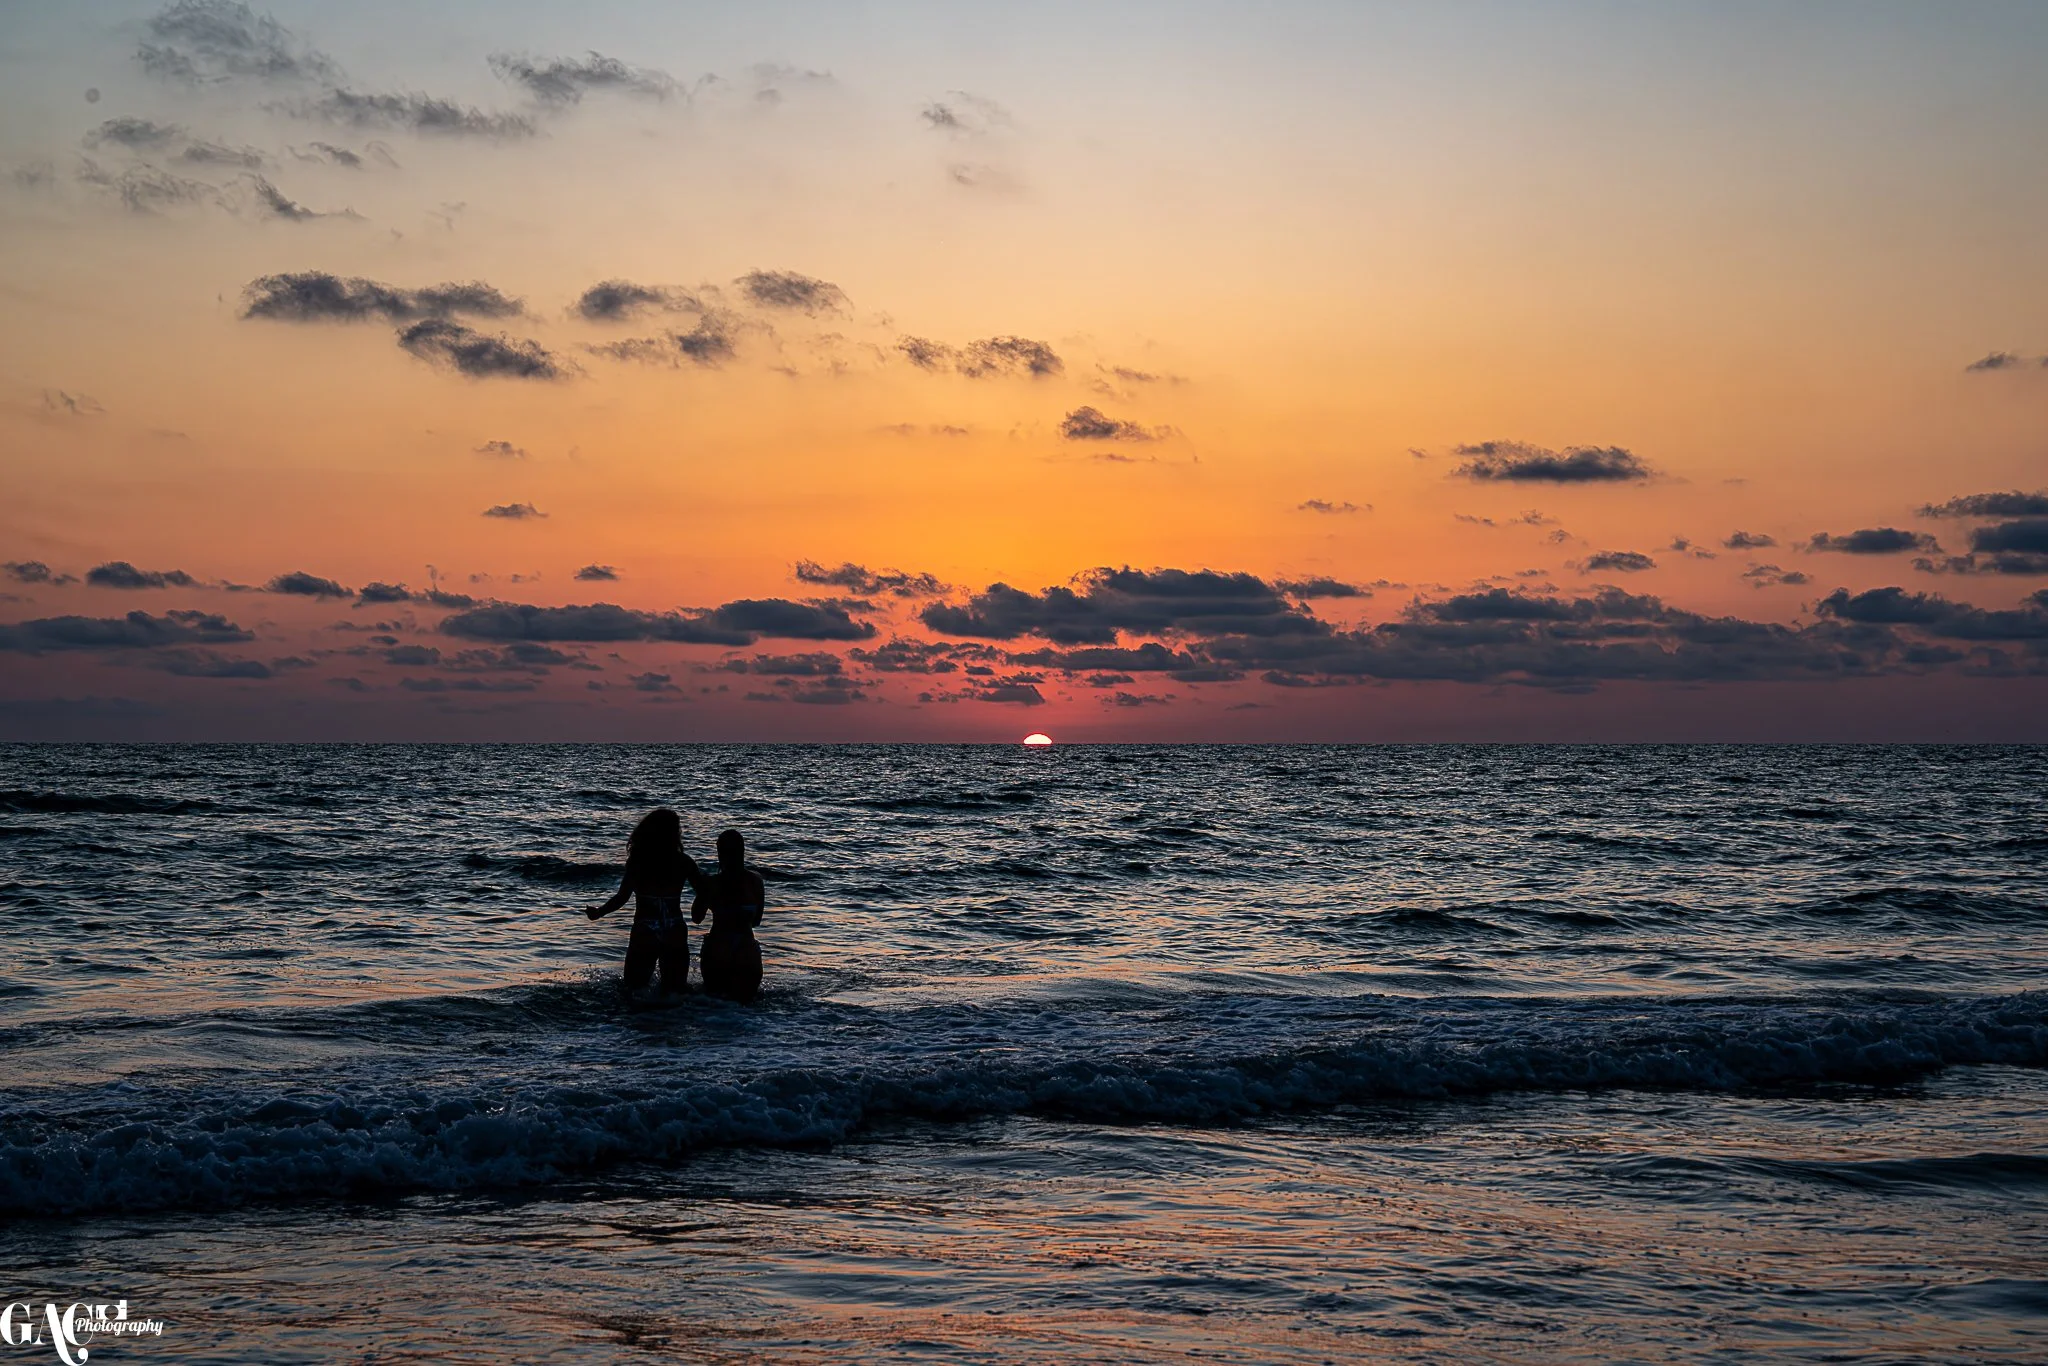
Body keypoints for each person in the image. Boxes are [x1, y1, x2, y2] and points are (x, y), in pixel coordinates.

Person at [586, 808, 703, 999]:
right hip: (674, 926)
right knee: (676, 994)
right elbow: (704, 894)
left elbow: (622, 897)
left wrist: (599, 912)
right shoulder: (684, 862)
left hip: (646, 927)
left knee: (633, 991)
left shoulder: (639, 862)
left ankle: (639, 1026)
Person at [694, 828, 765, 1002]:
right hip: (747, 948)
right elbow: (756, 921)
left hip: (719, 947)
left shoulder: (712, 883)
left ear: (720, 853)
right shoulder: (756, 881)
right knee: (746, 1005)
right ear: (742, 851)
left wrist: (701, 888)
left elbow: (697, 917)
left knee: (713, 1003)